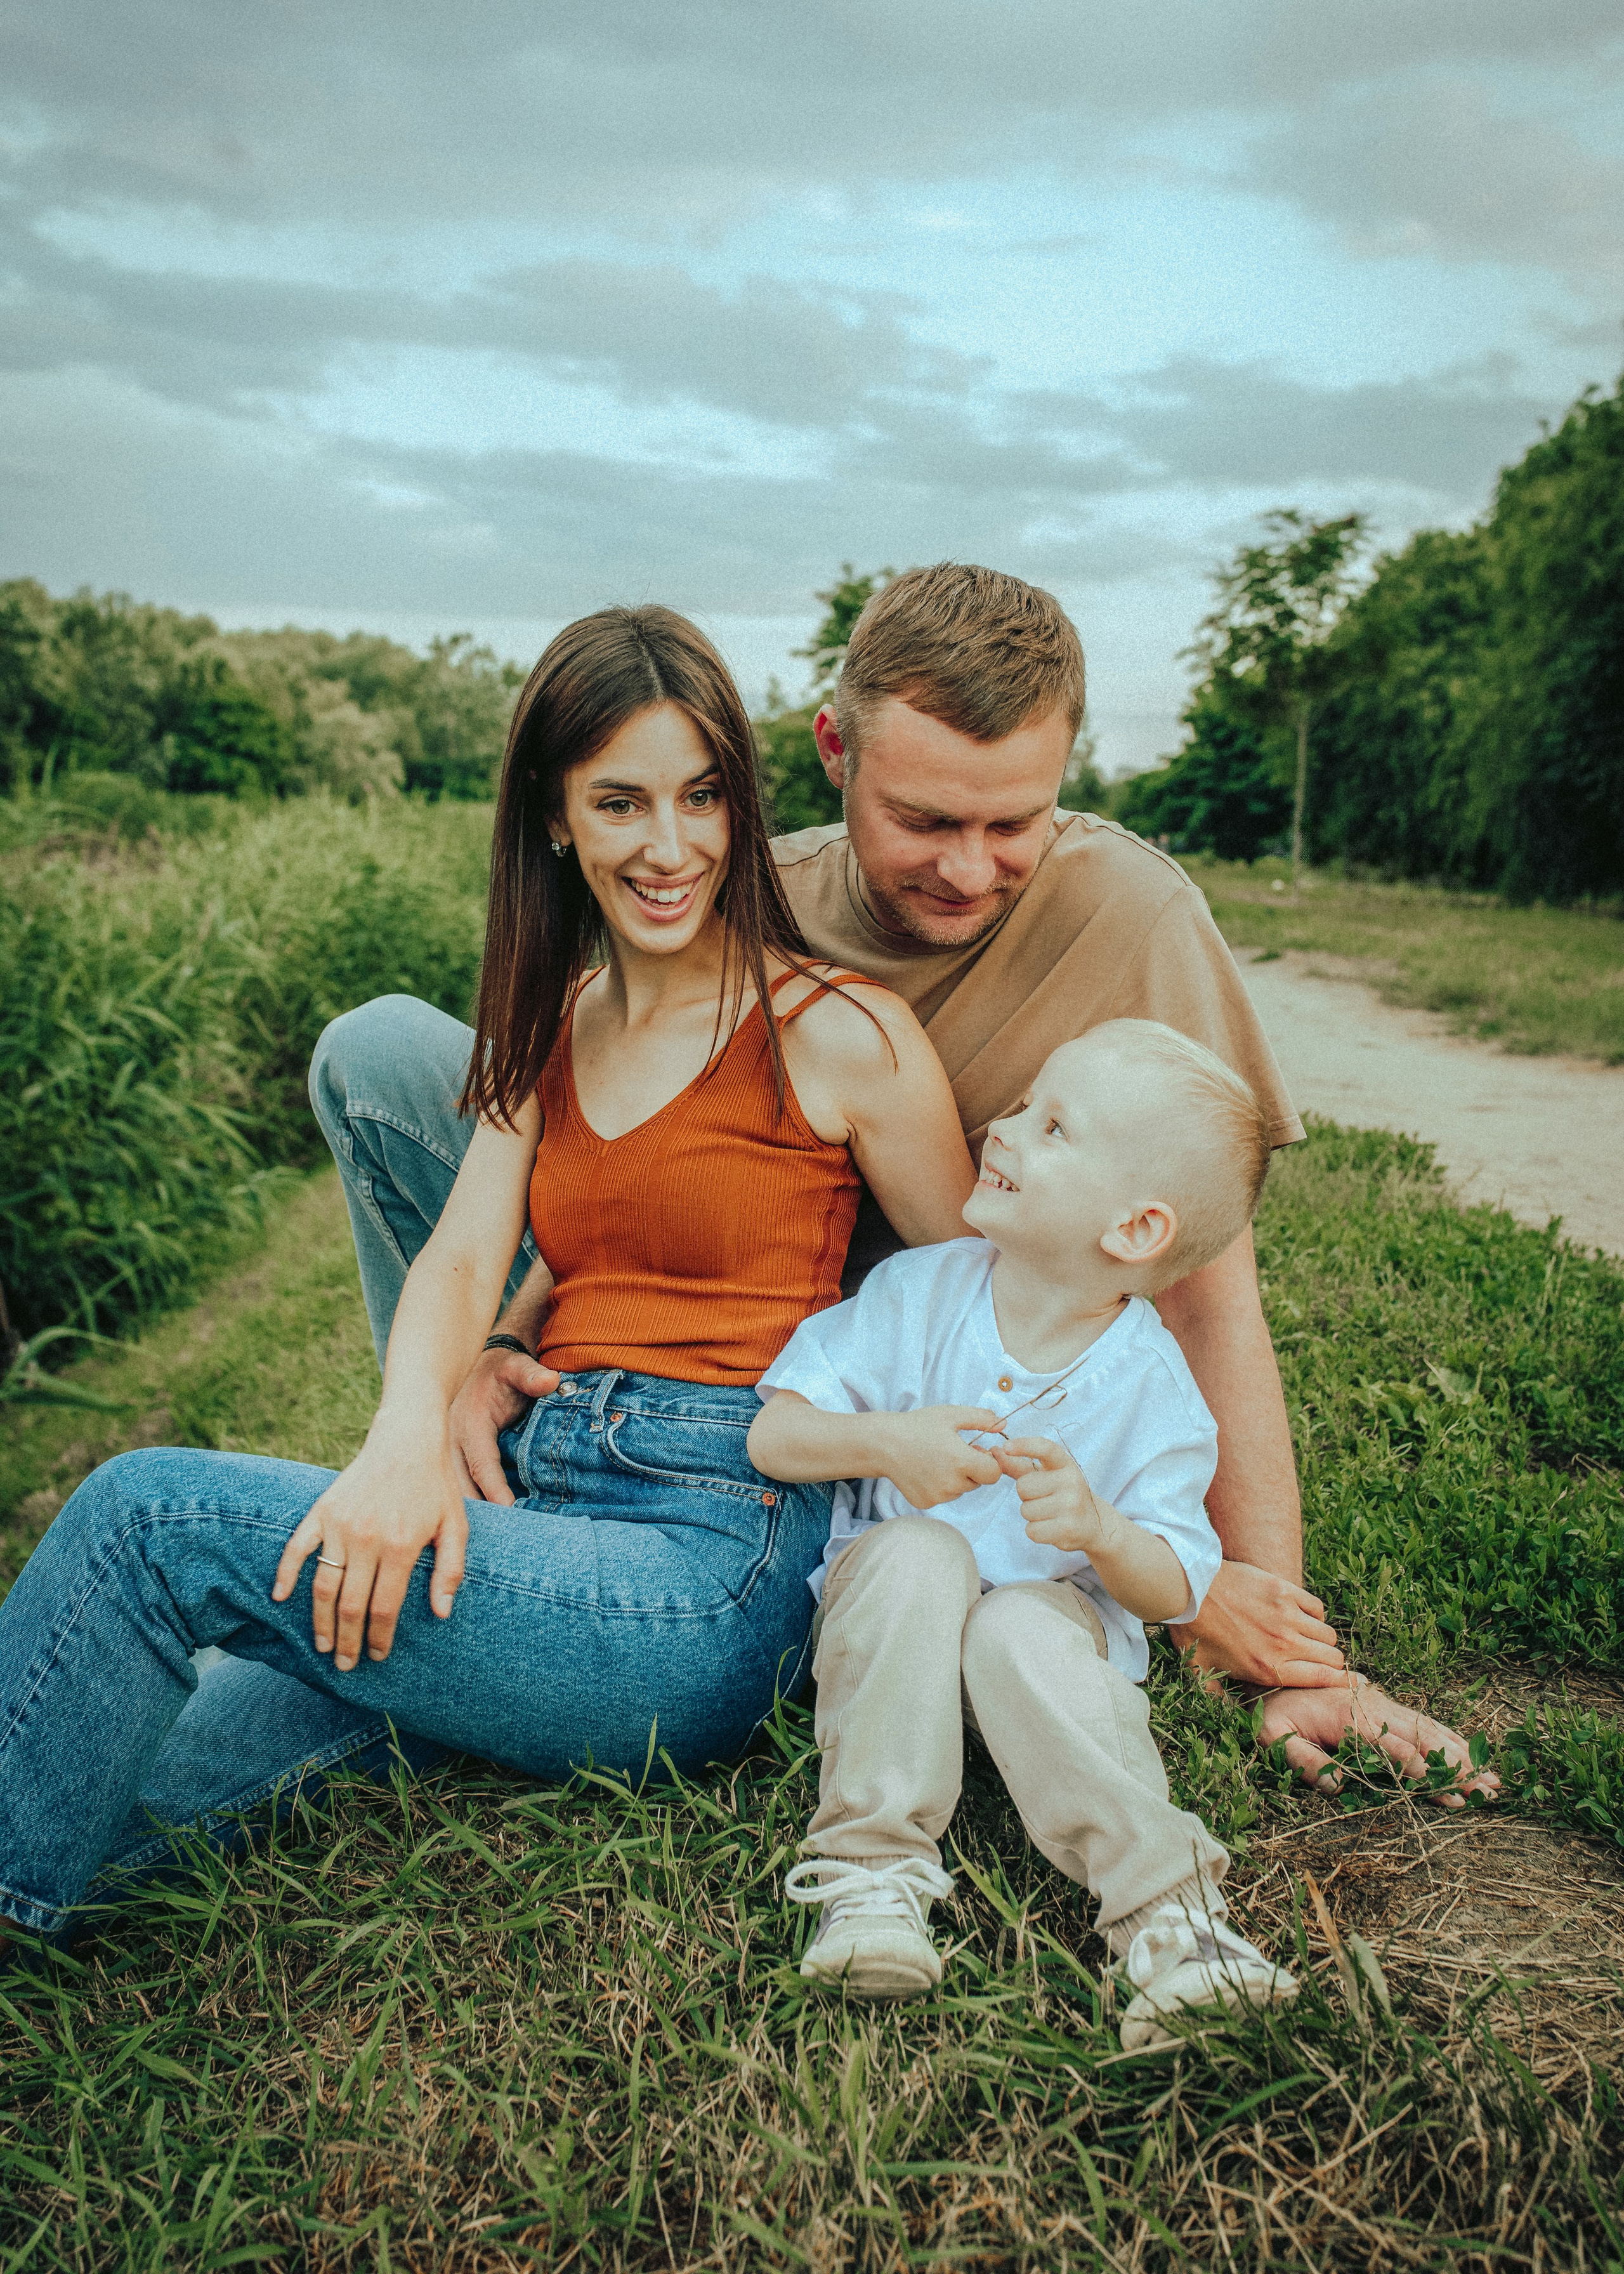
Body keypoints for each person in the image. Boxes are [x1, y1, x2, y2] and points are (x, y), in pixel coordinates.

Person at [325, 563, 1493, 1802]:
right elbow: (646, 1166)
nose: (971, 869)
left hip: (865, 1352)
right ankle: (458, 1451)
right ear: (835, 749)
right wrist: (496, 1339)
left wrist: (1259, 1617)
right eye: (925, 822)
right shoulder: (744, 890)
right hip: (708, 1300)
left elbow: (1203, 1286)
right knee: (378, 1053)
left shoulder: (1131, 919)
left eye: (1013, 823)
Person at [0, 607, 978, 1946]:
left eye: (701, 796)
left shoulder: (844, 1032)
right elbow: (466, 1254)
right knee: (110, 1790)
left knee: (144, 1519)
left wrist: (1094, 1566)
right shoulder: (560, 1019)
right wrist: (411, 1437)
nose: (670, 844)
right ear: (556, 816)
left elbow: (982, 1298)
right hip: (524, 1512)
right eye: (620, 801)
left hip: (701, 1569)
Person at [748, 1022, 1300, 2044]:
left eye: (1051, 1126)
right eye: (1023, 1106)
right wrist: (887, 1442)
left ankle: (1173, 1921)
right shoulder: (917, 1294)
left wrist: (1097, 1529)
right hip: (893, 1639)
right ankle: (872, 1875)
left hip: (1041, 1660)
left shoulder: (1151, 1387)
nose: (999, 1129)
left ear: (1134, 1231)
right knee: (919, 1550)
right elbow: (776, 1435)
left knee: (1021, 1627)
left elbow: (1177, 1582)